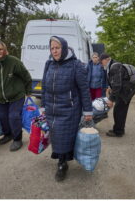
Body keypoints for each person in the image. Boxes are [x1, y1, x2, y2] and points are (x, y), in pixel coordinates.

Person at [41, 36, 93, 182]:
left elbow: (84, 90)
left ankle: (62, 164)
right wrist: (43, 106)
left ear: (63, 48)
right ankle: (61, 160)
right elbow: (44, 86)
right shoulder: (49, 63)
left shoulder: (76, 65)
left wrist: (88, 111)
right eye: (52, 48)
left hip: (69, 109)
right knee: (56, 137)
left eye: (57, 48)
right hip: (52, 109)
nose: (55, 51)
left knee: (65, 137)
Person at [0, 40, 32, 151]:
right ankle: (8, 134)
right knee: (2, 117)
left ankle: (17, 139)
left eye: (0, 49)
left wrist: (28, 92)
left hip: (16, 96)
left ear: (5, 50)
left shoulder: (14, 62)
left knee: (14, 116)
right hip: (0, 98)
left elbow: (26, 76)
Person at [99, 53, 135, 137]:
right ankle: (119, 129)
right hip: (126, 90)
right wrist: (110, 87)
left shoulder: (114, 66)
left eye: (101, 62)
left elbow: (117, 85)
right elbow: (116, 81)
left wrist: (111, 99)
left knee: (119, 111)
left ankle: (118, 131)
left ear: (106, 59)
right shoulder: (113, 65)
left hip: (125, 91)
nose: (101, 65)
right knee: (120, 111)